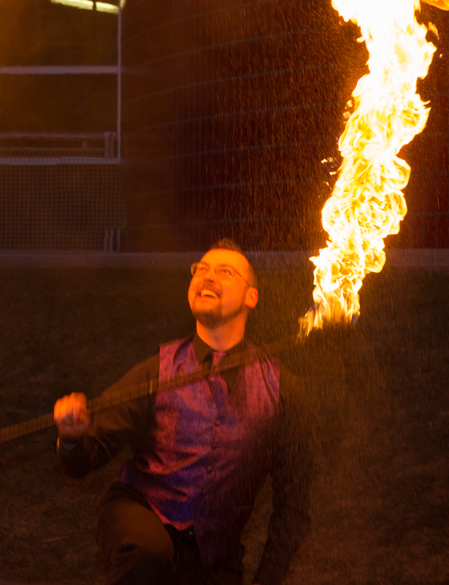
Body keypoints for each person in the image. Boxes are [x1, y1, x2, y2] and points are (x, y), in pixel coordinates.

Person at [54, 239, 312, 585]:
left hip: (213, 559)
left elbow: (292, 507)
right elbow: (83, 461)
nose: (208, 277)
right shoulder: (157, 371)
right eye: (200, 269)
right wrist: (72, 439)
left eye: (225, 272)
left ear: (252, 296)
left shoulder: (283, 392)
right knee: (150, 558)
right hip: (141, 521)